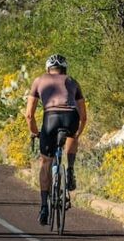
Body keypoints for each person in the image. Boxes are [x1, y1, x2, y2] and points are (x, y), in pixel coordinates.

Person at [25, 54, 87, 226]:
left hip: (50, 119)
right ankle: (71, 169)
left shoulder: (39, 81)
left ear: (48, 69)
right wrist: (76, 135)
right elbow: (84, 117)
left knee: (45, 162)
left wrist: (36, 132)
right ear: (65, 69)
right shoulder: (73, 81)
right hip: (71, 118)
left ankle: (44, 207)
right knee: (72, 135)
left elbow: (29, 115)